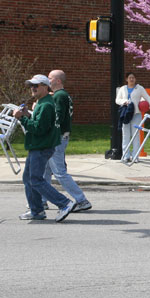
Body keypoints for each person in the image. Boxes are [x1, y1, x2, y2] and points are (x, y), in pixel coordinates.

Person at [12, 75, 75, 223]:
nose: (33, 88)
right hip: (38, 146)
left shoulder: (46, 105)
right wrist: (28, 114)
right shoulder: (42, 103)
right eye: (31, 86)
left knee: (36, 180)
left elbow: (39, 128)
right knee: (28, 178)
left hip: (41, 147)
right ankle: (37, 210)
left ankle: (64, 203)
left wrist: (21, 118)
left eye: (36, 85)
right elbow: (39, 121)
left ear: (46, 87)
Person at [36, 70, 92, 212]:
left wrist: (38, 111)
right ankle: (42, 201)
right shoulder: (60, 95)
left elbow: (57, 117)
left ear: (58, 81)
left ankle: (81, 200)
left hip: (57, 138)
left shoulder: (59, 96)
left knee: (59, 172)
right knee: (45, 172)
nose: (48, 80)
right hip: (58, 137)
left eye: (50, 78)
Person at [115, 72, 150, 162]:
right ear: (126, 79)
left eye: (133, 78)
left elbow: (148, 98)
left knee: (136, 136)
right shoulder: (122, 89)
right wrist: (124, 101)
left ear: (135, 79)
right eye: (129, 77)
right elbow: (117, 100)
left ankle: (135, 156)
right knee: (126, 135)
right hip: (125, 114)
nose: (131, 79)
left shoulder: (139, 88)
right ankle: (126, 155)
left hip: (136, 114)